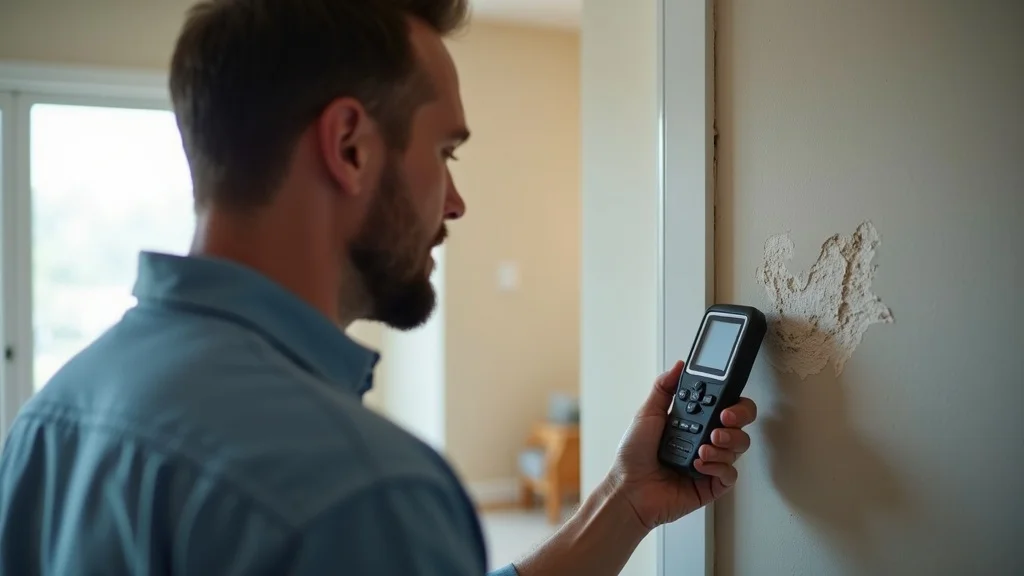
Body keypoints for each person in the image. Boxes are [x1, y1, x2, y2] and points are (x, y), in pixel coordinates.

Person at [0, 1, 758, 574]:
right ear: (351, 147)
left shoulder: (50, 419)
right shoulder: (360, 490)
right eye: (445, 151)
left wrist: (620, 503)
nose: (455, 202)